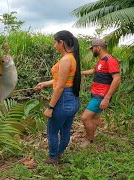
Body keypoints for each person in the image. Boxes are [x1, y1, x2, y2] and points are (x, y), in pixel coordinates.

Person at [34, 30, 81, 164]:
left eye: (56, 42)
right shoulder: (73, 57)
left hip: (63, 98)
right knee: (65, 130)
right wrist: (45, 83)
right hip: (72, 98)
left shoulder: (66, 60)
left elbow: (60, 87)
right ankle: (59, 153)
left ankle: (53, 157)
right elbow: (63, 80)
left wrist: (50, 107)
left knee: (52, 131)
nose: (55, 45)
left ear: (62, 42)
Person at [81, 39, 121, 147]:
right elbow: (93, 71)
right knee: (94, 117)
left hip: (101, 95)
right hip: (96, 93)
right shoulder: (101, 60)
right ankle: (91, 138)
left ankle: (89, 140)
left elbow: (116, 79)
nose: (91, 51)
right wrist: (78, 73)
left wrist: (107, 98)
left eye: (92, 48)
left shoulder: (110, 60)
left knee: (85, 117)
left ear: (98, 47)